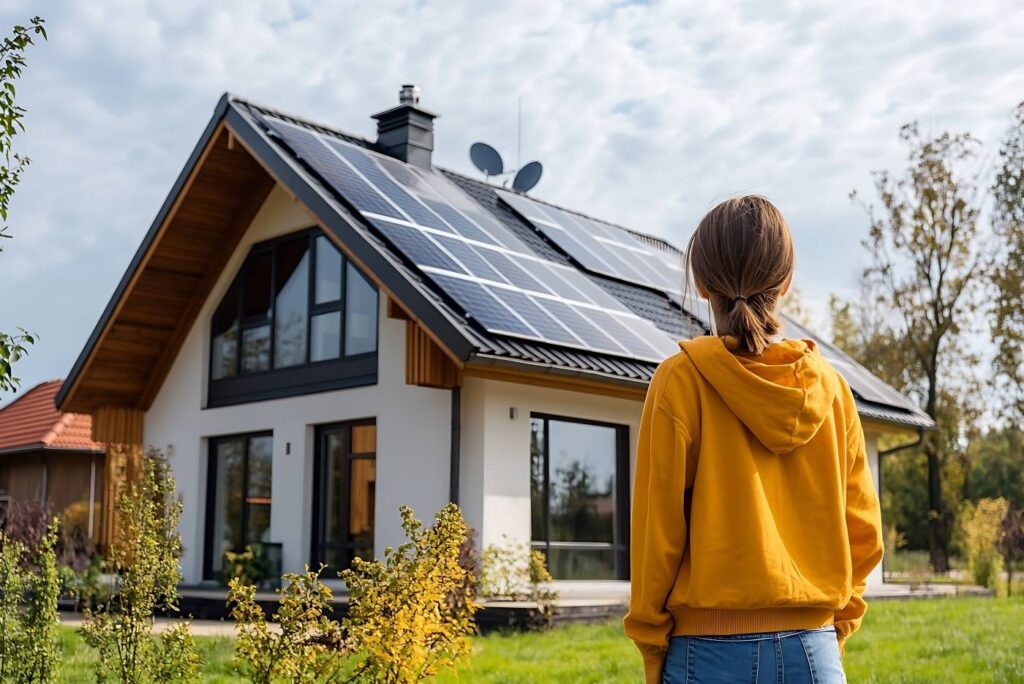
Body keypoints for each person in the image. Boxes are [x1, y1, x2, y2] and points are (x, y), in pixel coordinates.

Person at [624, 196, 884, 684]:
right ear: (786, 283)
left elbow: (656, 536)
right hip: (815, 652)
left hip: (704, 654)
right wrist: (831, 629)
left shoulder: (679, 382)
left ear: (701, 285)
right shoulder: (832, 390)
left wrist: (653, 649)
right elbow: (865, 536)